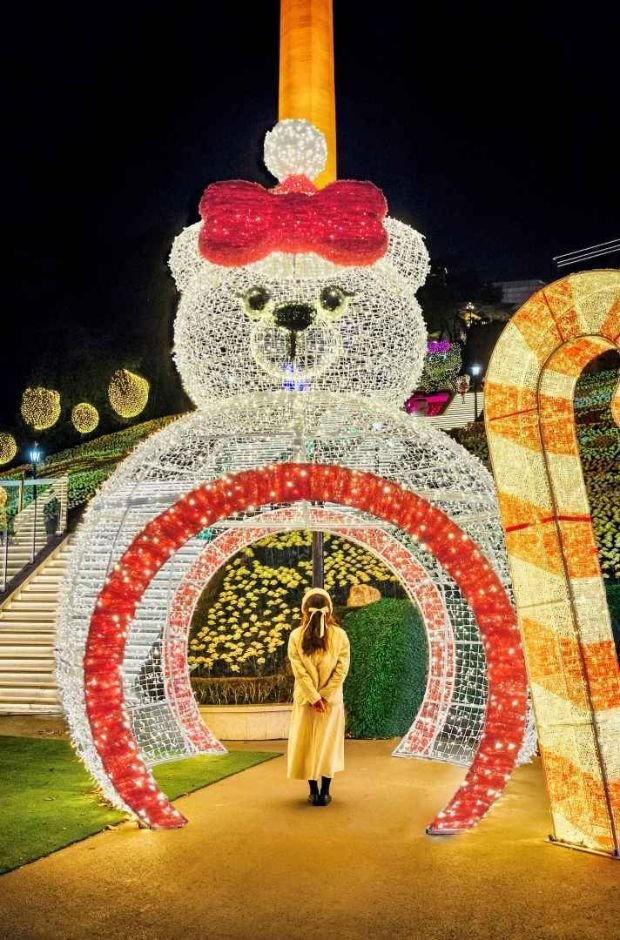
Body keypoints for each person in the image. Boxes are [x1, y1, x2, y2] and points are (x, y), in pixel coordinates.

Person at [287, 587, 351, 806]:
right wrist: (324, 697)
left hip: (306, 700)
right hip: (330, 702)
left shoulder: (296, 636)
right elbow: (341, 670)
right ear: (329, 610)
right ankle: (325, 793)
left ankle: (313, 792)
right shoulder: (340, 635)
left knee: (307, 744)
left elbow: (299, 672)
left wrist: (314, 697)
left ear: (304, 610)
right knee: (328, 744)